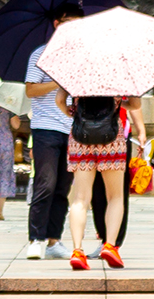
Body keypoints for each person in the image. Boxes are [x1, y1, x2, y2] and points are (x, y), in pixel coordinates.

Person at [20, 2, 84, 259]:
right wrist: (56, 83)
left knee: (63, 187)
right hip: (46, 127)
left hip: (73, 129)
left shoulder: (82, 56)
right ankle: (35, 238)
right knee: (45, 184)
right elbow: (30, 90)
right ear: (57, 24)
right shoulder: (40, 54)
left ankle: (53, 240)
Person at [61, 81, 143, 270]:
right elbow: (135, 104)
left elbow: (60, 100)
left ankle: (77, 251)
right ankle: (110, 245)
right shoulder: (118, 72)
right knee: (115, 196)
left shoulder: (75, 70)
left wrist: (70, 110)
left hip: (81, 136)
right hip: (111, 136)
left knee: (80, 198)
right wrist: (118, 103)